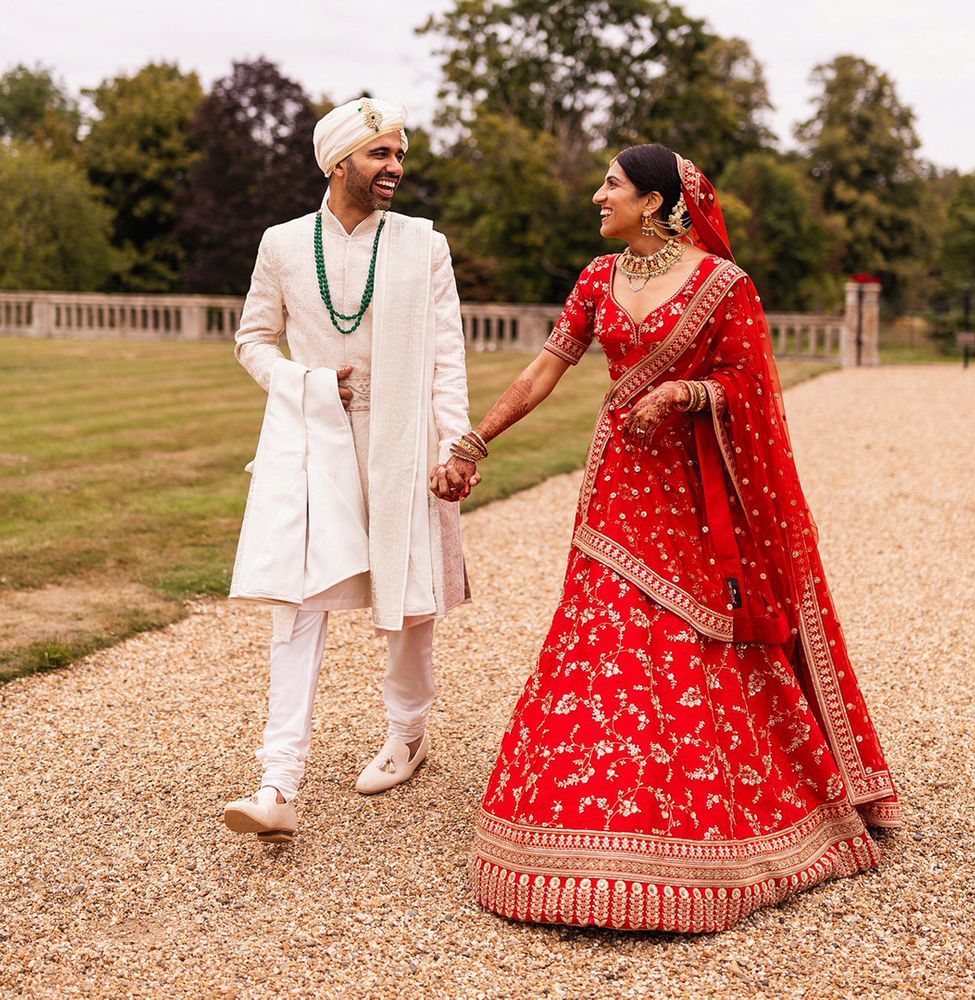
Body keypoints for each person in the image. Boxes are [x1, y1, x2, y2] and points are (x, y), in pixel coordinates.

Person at [434, 145, 900, 932]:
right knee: (601, 630)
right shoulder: (596, 278)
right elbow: (544, 371)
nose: (597, 197)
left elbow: (751, 387)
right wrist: (475, 442)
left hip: (696, 494)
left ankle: (710, 817)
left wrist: (688, 392)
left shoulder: (724, 285)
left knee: (694, 632)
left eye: (611, 185)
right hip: (617, 485)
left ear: (652, 201)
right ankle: (582, 817)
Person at [223, 97, 477, 843]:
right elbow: (253, 340)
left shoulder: (424, 245)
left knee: (409, 599)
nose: (395, 167)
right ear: (339, 163)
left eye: (400, 154)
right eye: (380, 154)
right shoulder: (281, 244)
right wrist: (303, 382)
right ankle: (278, 781)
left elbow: (447, 354)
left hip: (405, 438)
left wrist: (454, 446)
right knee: (298, 601)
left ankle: (407, 734)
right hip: (317, 440)